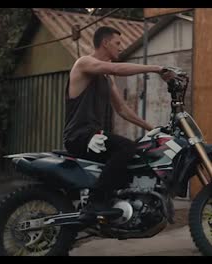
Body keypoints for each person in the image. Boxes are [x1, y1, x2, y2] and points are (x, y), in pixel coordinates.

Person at [63, 26, 174, 221]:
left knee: (136, 152)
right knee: (126, 148)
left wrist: (153, 129)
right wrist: (156, 68)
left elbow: (121, 109)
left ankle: (118, 203)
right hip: (80, 136)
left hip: (95, 136)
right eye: (117, 43)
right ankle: (96, 202)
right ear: (105, 43)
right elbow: (116, 68)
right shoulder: (84, 63)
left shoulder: (107, 77)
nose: (120, 48)